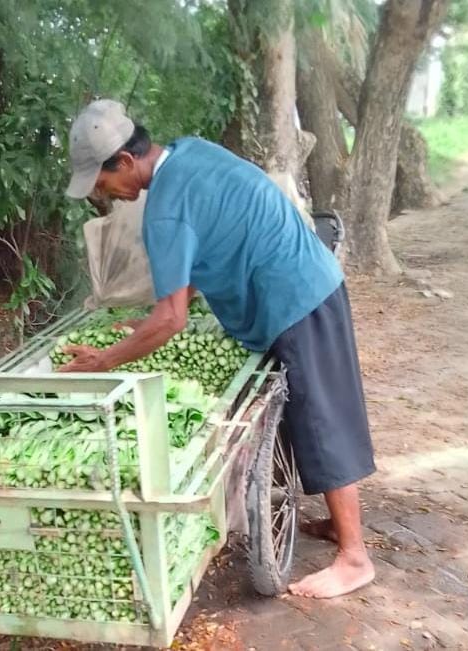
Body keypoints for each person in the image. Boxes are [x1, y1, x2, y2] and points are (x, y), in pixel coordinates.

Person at [59, 99, 375, 599]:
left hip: (294, 295)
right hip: (305, 278)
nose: (106, 196)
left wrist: (103, 360)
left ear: (124, 162)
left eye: (102, 183)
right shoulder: (190, 153)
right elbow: (197, 262)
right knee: (305, 414)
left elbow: (172, 317)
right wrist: (144, 323)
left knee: (321, 419)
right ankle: (340, 524)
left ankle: (355, 557)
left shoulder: (162, 210)